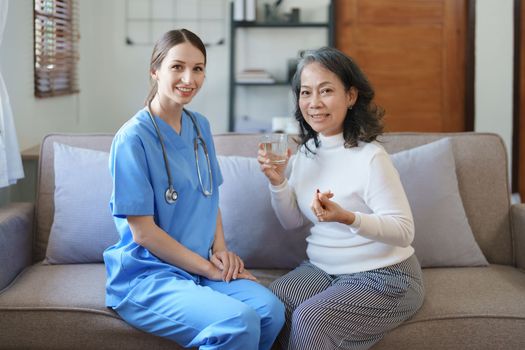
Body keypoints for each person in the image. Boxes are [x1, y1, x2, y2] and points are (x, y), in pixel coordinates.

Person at [103, 29, 284, 350]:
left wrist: (221, 252)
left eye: (198, 68)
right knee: (237, 321)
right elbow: (143, 233)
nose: (189, 78)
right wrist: (208, 269)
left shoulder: (200, 126)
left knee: (271, 311)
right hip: (150, 276)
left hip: (200, 267)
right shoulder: (133, 138)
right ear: (155, 70)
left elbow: (209, 197)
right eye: (177, 67)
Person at [258, 47, 424, 350]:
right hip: (322, 269)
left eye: (326, 91)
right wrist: (278, 182)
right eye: (305, 93)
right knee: (270, 306)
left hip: (384, 275)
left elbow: (403, 231)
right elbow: (292, 221)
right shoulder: (306, 154)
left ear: (351, 96)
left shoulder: (371, 157)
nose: (314, 103)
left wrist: (348, 217)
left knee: (312, 319)